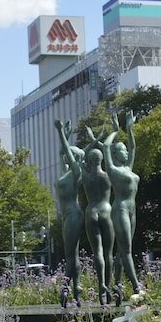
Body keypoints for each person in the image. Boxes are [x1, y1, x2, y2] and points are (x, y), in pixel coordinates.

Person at [97, 111, 142, 304]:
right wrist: (116, 131)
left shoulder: (128, 169)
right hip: (121, 209)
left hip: (132, 210)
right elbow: (106, 146)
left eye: (125, 150)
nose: (126, 152)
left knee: (121, 252)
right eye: (122, 150)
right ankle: (137, 287)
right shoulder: (113, 170)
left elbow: (133, 146)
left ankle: (116, 288)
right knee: (126, 251)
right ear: (116, 155)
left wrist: (129, 129)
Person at [54, 119, 85, 307]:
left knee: (71, 256)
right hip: (67, 217)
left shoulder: (76, 172)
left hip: (74, 214)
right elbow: (61, 153)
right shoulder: (65, 173)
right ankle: (76, 289)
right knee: (72, 255)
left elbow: (65, 152)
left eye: (70, 155)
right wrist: (66, 134)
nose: (65, 157)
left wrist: (60, 133)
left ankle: (67, 287)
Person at [83, 127, 116, 305]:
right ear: (102, 159)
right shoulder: (108, 174)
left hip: (91, 212)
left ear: (89, 160)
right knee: (109, 253)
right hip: (106, 210)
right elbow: (107, 149)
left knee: (98, 252)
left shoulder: (85, 175)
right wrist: (102, 139)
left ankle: (101, 283)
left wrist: (92, 140)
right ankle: (108, 287)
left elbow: (81, 155)